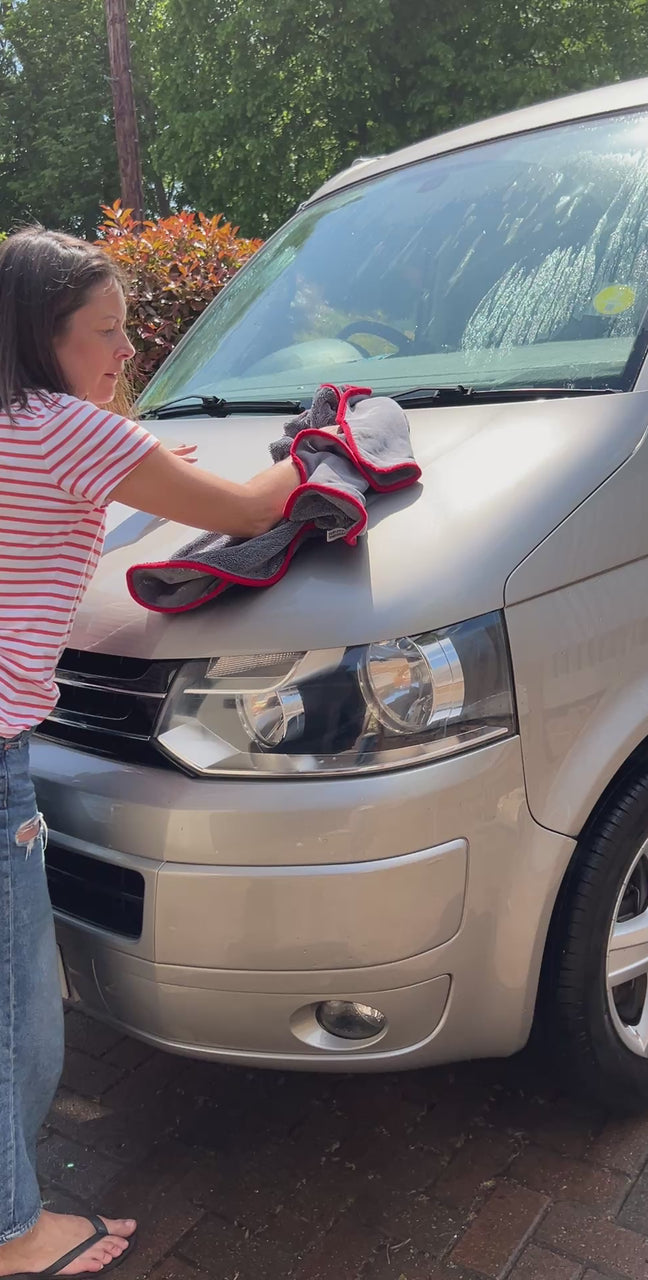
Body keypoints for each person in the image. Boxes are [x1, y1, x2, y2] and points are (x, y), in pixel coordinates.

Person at [0, 226, 304, 1277]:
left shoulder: (25, 425)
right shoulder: (63, 429)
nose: (128, 351)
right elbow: (246, 508)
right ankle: (14, 1234)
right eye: (108, 331)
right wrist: (329, 443)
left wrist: (141, 459)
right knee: (19, 1014)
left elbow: (89, 485)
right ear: (44, 335)